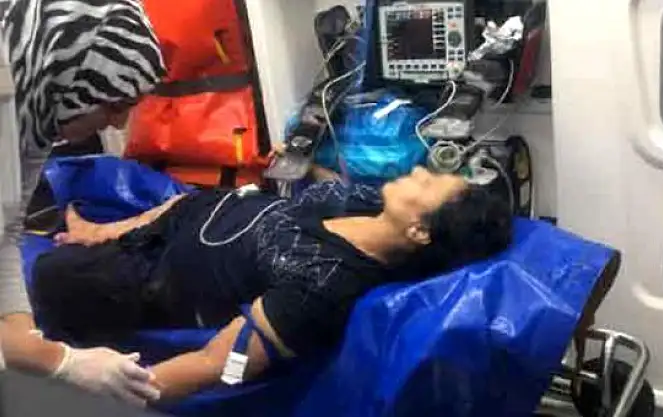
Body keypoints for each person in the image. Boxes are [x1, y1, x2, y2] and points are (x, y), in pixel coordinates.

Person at [30, 167, 512, 401]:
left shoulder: (323, 285)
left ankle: (95, 251)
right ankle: (99, 233)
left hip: (155, 277)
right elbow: (321, 184)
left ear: (420, 232)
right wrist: (303, 161)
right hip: (194, 212)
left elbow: (217, 363)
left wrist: (109, 391)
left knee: (49, 275)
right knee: (171, 202)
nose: (420, 171)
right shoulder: (369, 203)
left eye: (428, 185)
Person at [0, 0, 166, 405]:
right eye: (115, 105)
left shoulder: (32, 120)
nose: (119, 123)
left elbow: (7, 234)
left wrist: (26, 339)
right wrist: (62, 361)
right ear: (68, 72)